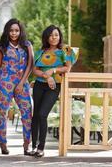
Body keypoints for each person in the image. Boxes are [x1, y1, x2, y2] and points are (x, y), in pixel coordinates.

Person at [31, 25, 76, 158]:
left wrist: (53, 70)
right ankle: (33, 146)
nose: (54, 37)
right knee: (35, 116)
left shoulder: (66, 50)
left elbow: (67, 68)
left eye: (56, 35)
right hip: (39, 84)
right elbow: (35, 70)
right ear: (46, 37)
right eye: (51, 35)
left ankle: (41, 147)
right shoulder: (41, 51)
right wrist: (46, 76)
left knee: (43, 114)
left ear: (60, 36)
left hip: (54, 86)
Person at [0, 18, 34, 155]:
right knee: (1, 113)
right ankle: (3, 144)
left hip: (22, 82)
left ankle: (27, 145)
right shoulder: (1, 47)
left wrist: (22, 83)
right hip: (4, 82)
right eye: (11, 30)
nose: (14, 33)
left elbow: (30, 65)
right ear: (7, 31)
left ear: (20, 31)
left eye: (16, 30)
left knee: (27, 112)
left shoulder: (27, 45)